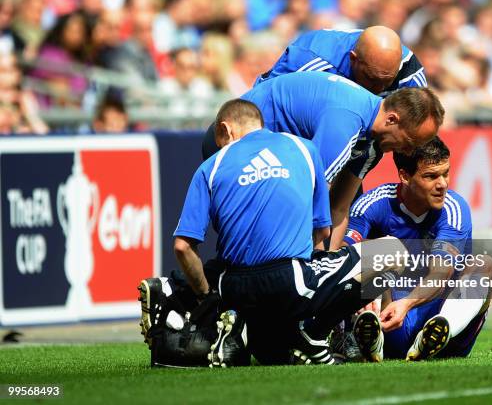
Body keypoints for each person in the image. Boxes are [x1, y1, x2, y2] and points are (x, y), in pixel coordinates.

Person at [141, 98, 408, 367]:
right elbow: (322, 231)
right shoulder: (303, 148)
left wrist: (205, 298)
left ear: (225, 129)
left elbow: (182, 247)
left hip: (234, 289)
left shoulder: (210, 167)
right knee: (393, 251)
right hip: (290, 281)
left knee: (274, 354)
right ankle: (313, 334)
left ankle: (181, 295)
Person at [202, 71, 445, 249]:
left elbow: (339, 207)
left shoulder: (373, 141)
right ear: (392, 120)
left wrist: (329, 261)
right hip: (230, 141)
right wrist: (317, 265)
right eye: (409, 141)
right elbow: (307, 199)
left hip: (271, 155)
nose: (407, 151)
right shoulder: (345, 123)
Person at [342, 137, 492, 362]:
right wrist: (362, 293)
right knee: (368, 253)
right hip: (390, 316)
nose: (442, 184)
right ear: (404, 176)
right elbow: (341, 256)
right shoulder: (372, 205)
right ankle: (373, 338)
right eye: (431, 176)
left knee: (483, 264)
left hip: (435, 316)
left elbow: (442, 273)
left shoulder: (454, 209)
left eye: (445, 173)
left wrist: (407, 303)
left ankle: (439, 332)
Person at [255, 26, 427, 96]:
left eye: (387, 82)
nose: (378, 90)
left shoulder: (409, 73)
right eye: (372, 79)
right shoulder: (310, 58)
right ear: (354, 59)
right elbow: (260, 99)